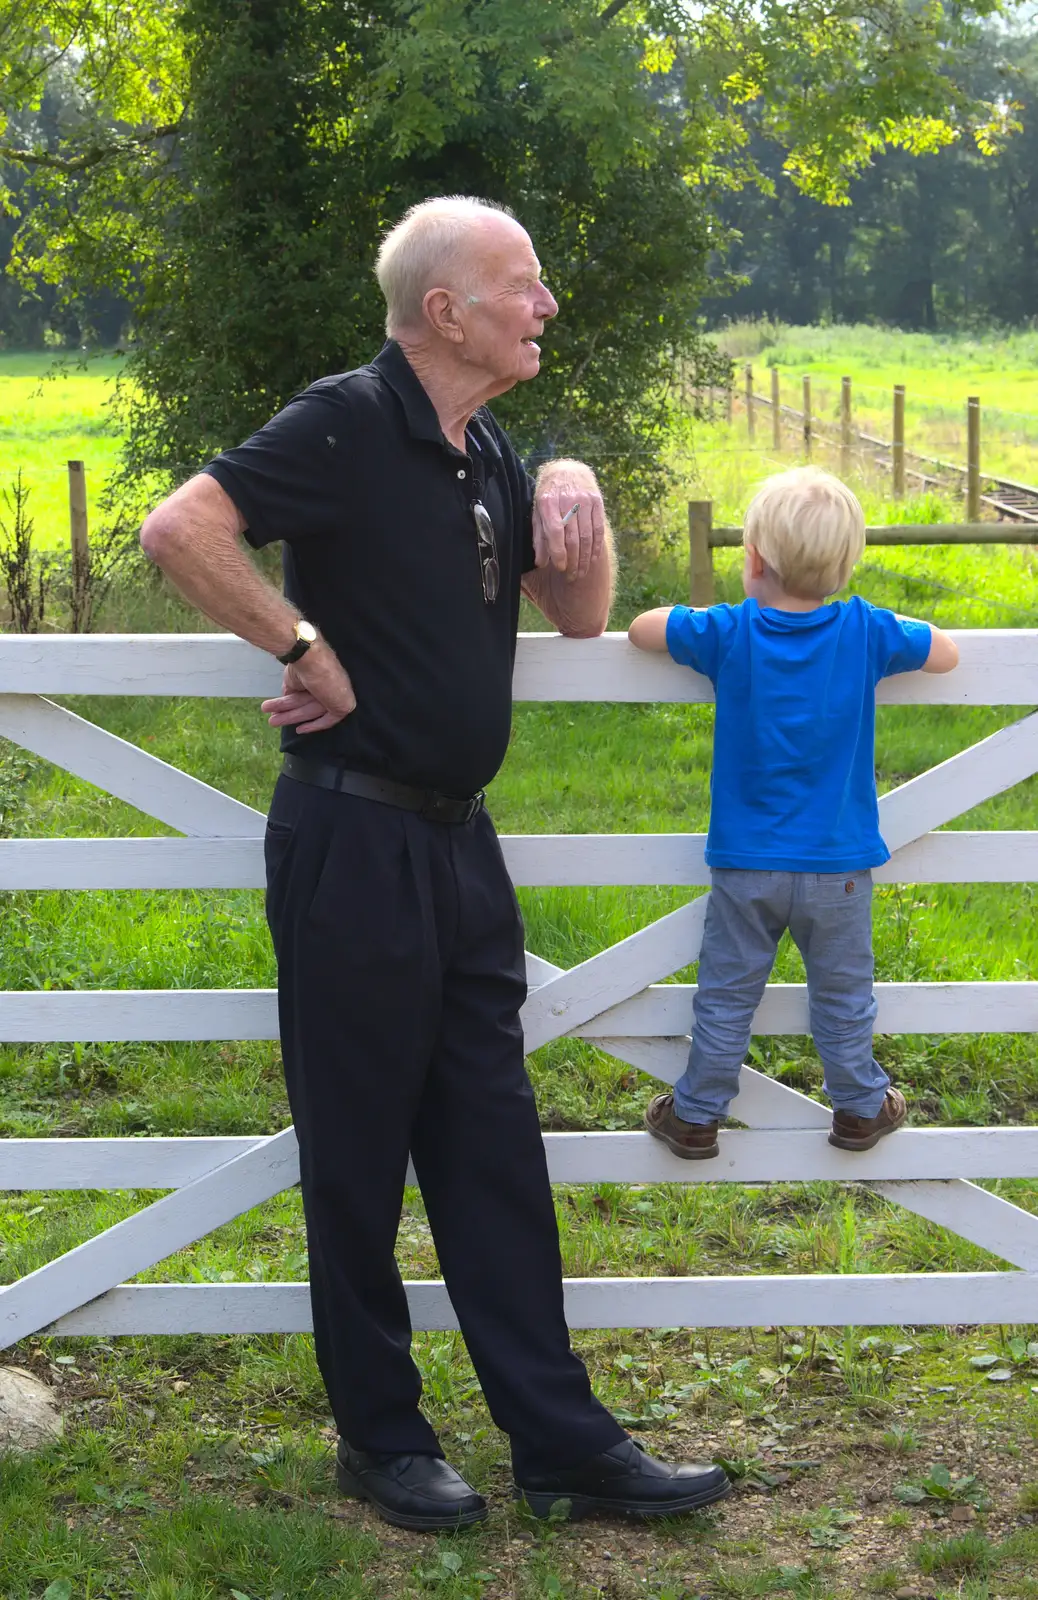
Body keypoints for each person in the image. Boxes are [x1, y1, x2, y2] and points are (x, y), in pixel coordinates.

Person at [140, 196, 730, 1531]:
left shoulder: (488, 446)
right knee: (355, 1156)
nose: (548, 305)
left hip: (461, 844)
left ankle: (559, 1441)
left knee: (492, 1150)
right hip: (350, 839)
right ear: (447, 310)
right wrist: (298, 645)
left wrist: (572, 489)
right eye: (524, 285)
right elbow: (182, 529)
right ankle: (380, 1439)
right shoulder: (347, 419)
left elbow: (577, 613)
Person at [628, 466, 959, 1160]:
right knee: (843, 997)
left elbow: (641, 630)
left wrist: (687, 615)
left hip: (746, 865)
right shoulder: (868, 630)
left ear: (752, 561)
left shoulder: (728, 632)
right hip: (838, 868)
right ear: (846, 567)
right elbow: (946, 653)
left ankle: (695, 1115)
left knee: (726, 995)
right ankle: (861, 1108)